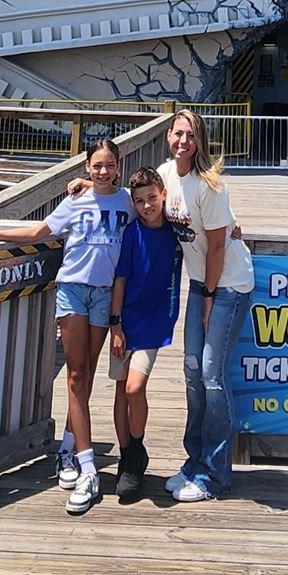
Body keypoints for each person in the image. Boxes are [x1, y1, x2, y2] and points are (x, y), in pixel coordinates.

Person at [0, 135, 128, 515]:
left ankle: (67, 449)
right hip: (72, 289)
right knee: (75, 375)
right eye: (96, 166)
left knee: (85, 376)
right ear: (86, 167)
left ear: (118, 167)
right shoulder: (75, 201)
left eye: (109, 165)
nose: (102, 170)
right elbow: (41, 232)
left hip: (105, 295)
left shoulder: (126, 202)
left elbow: (154, 207)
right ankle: (86, 465)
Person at [159, 108, 254, 503]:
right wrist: (85, 185)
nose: (183, 142)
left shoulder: (209, 186)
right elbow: (142, 203)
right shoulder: (166, 176)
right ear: (168, 136)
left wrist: (210, 297)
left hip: (227, 285)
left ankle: (215, 474)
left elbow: (217, 246)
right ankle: (193, 461)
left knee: (213, 376)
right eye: (178, 134)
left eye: (191, 136)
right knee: (192, 371)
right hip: (201, 284)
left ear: (200, 142)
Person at [106, 167, 184, 504]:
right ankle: (128, 460)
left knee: (136, 387)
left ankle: (137, 448)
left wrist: (235, 228)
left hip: (155, 322)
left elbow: (212, 231)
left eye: (152, 198)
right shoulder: (131, 232)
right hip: (126, 322)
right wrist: (115, 324)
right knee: (121, 391)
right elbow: (120, 280)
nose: (147, 205)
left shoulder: (178, 232)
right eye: (139, 201)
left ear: (163, 194)